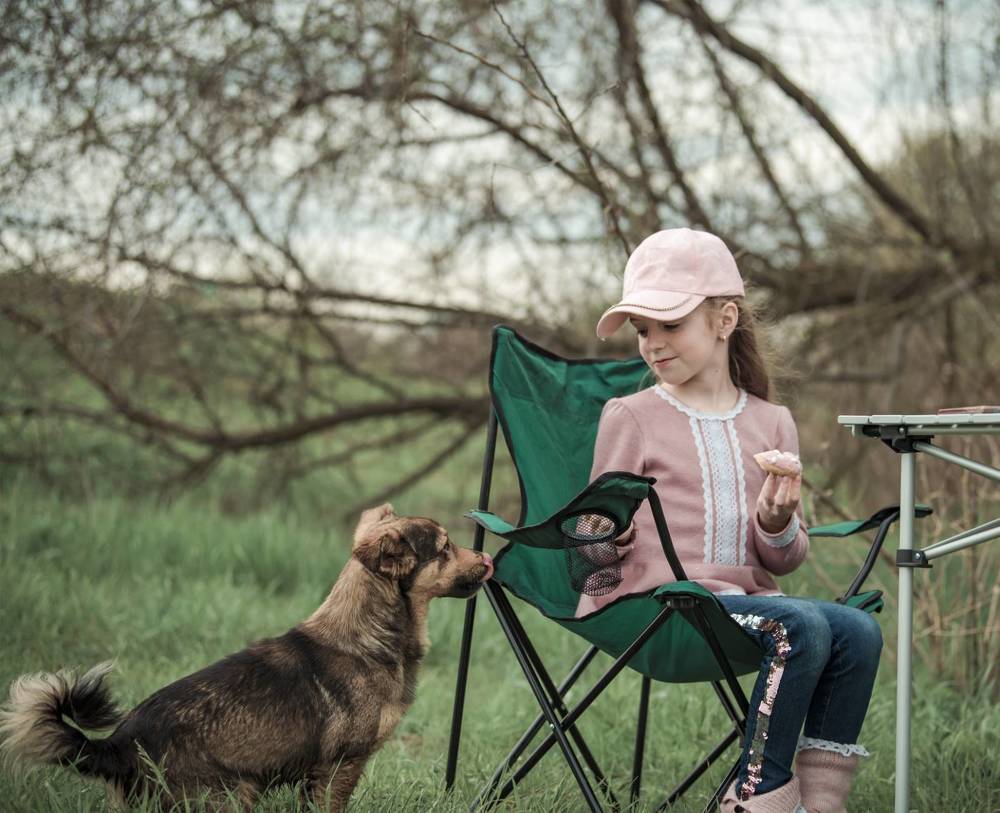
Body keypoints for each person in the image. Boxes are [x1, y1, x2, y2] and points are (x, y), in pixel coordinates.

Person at [584, 228, 882, 813]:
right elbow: (588, 559)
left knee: (857, 630)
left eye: (670, 325)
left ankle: (819, 804)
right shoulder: (631, 416)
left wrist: (776, 521)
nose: (652, 344)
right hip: (661, 609)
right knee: (800, 624)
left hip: (746, 609)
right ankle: (754, 796)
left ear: (724, 320)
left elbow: (783, 562)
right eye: (642, 329)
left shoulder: (773, 422)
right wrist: (602, 537)